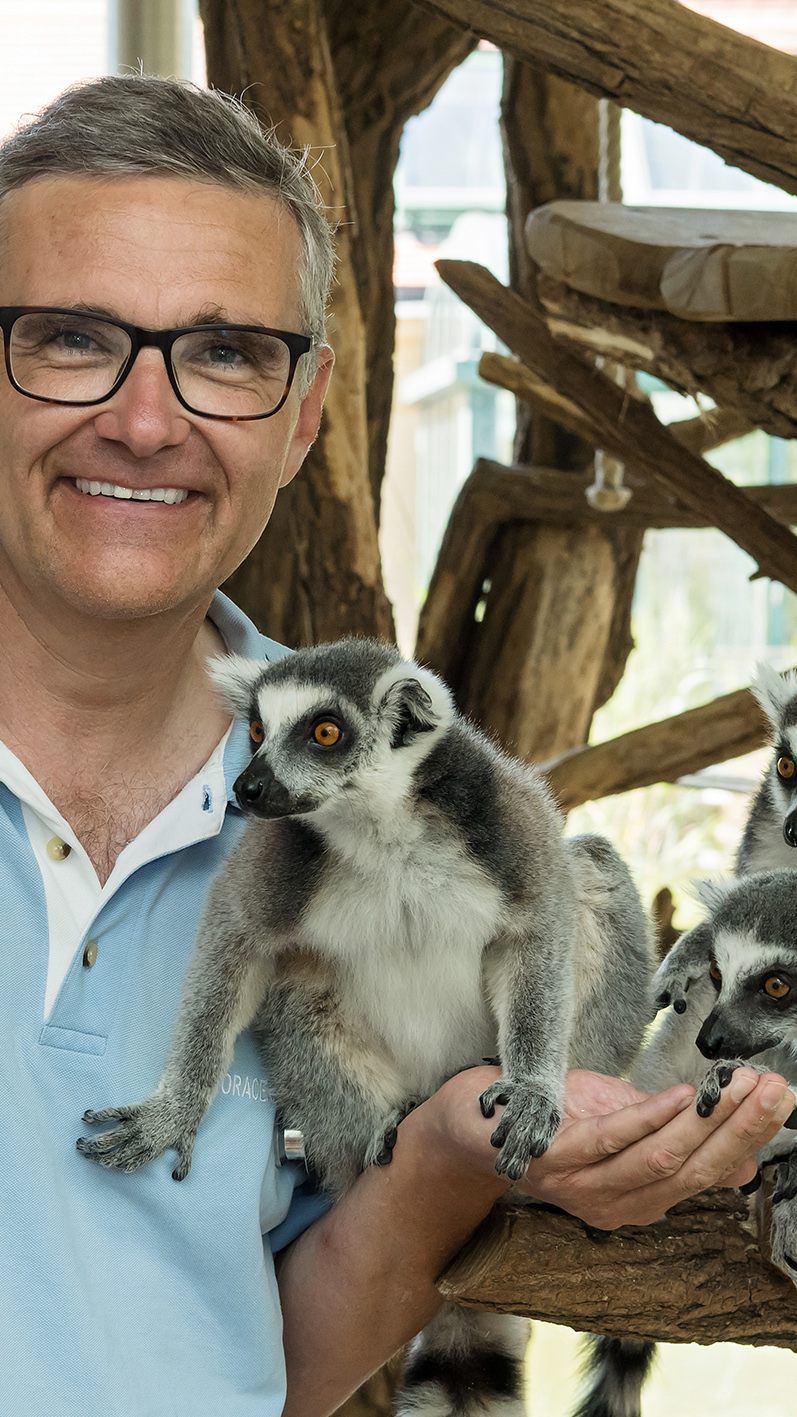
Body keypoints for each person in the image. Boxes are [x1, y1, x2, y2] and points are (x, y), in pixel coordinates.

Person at [0, 73, 791, 1417]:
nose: (145, 421)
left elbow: (248, 1358)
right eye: (73, 338)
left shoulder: (327, 822)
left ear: (306, 409)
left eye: (225, 352)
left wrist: (446, 1156)